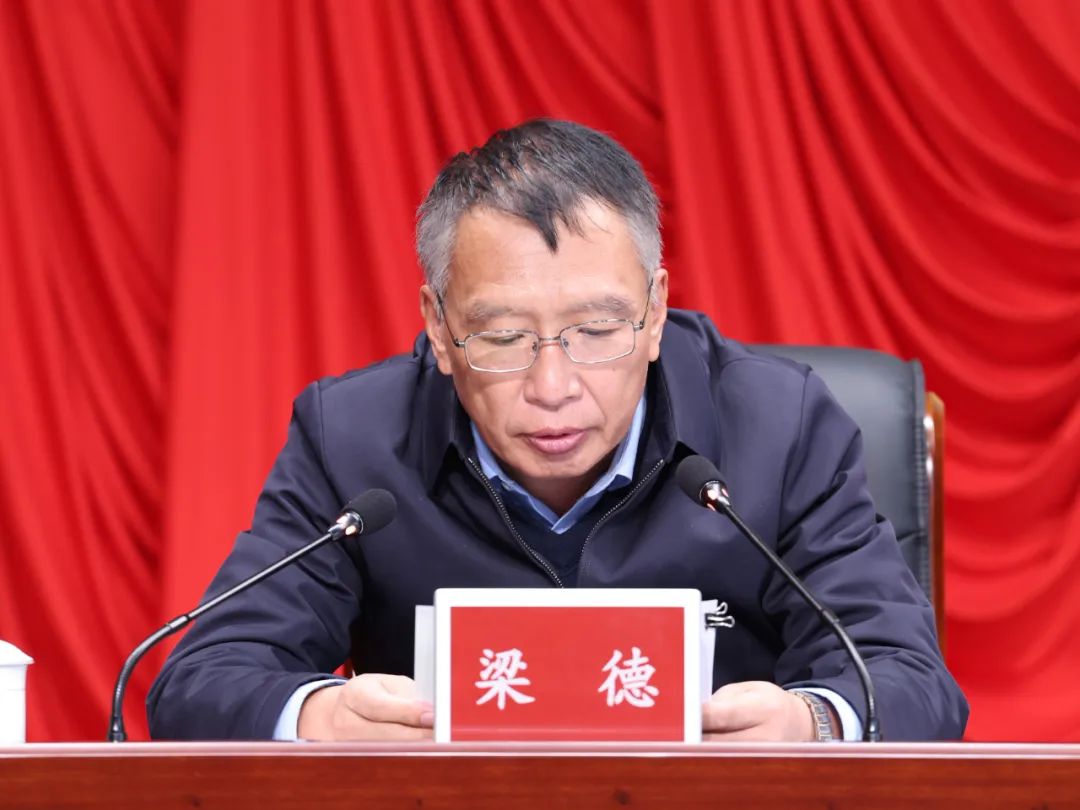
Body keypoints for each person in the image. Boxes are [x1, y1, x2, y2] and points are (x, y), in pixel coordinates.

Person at [147, 119, 968, 742]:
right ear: (438, 326)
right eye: (503, 338)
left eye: (597, 331)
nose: (553, 388)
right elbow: (200, 680)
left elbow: (911, 681)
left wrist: (810, 723)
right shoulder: (353, 439)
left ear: (655, 312)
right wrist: (318, 716)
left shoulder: (779, 427)